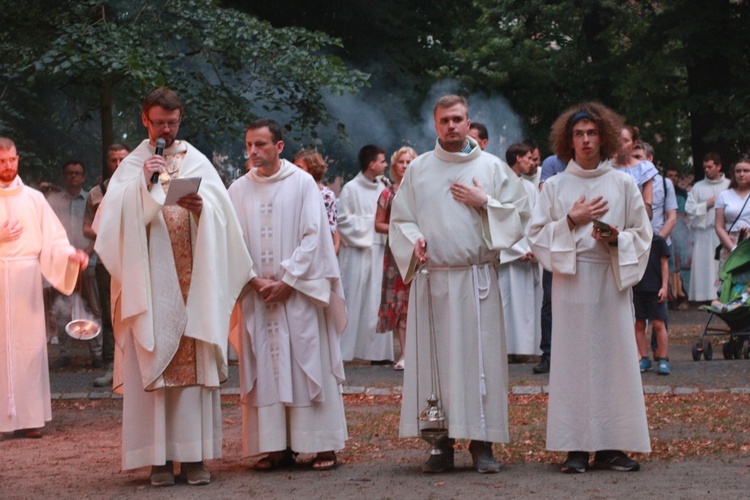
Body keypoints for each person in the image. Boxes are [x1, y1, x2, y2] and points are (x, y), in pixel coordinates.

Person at [94, 88, 253, 486]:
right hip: (150, 284)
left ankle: (194, 456)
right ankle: (158, 459)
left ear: (180, 120)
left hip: (192, 282)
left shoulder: (196, 160)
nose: (166, 129)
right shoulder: (132, 165)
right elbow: (109, 225)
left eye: (173, 122)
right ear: (144, 120)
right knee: (153, 363)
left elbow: (223, 218)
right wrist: (143, 188)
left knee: (192, 366)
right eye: (159, 122)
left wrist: (203, 212)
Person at [390, 95, 529, 474]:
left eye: (457, 119)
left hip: (476, 280)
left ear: (469, 123)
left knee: (478, 362)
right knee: (436, 364)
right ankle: (440, 442)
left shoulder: (493, 168)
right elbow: (401, 219)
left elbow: (521, 215)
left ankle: (482, 443)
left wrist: (485, 202)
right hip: (433, 280)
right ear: (435, 125)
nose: (451, 126)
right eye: (444, 121)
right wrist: (413, 240)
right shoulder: (418, 170)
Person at [527, 102, 652, 474]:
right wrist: (570, 219)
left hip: (610, 281)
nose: (585, 140)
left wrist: (615, 239)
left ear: (605, 137)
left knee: (614, 362)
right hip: (571, 281)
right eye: (578, 134)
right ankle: (575, 447)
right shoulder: (556, 186)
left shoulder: (623, 183)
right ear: (568, 140)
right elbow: (535, 236)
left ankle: (612, 445)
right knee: (574, 363)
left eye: (592, 133)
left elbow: (642, 234)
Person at [228, 119, 348, 472]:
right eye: (249, 144)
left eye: (261, 144)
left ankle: (322, 444)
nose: (253, 151)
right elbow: (232, 242)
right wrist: (252, 280)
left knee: (308, 360)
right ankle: (275, 446)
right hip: (258, 296)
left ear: (279, 147)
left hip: (298, 293)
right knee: (265, 366)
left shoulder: (302, 185)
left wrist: (289, 279)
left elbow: (315, 236)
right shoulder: (237, 189)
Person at [0, 138, 89, 440]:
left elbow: (53, 239)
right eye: (1, 161)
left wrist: (70, 254)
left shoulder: (35, 199)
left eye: (11, 160)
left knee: (29, 347)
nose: (7, 166)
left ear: (18, 159)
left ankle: (30, 417)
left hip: (25, 279)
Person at [337, 145, 393, 363]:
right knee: (354, 301)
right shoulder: (351, 188)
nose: (386, 164)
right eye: (382, 161)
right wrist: (373, 224)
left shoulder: (384, 186)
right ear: (372, 164)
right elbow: (343, 220)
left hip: (379, 251)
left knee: (376, 304)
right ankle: (345, 352)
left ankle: (377, 354)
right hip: (357, 254)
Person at [82, 144, 130, 387]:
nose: (118, 165)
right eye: (114, 160)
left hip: (135, 259)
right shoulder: (97, 192)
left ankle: (135, 366)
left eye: (123, 159)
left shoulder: (142, 185)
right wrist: (108, 230)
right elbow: (86, 227)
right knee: (111, 312)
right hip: (106, 260)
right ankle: (112, 366)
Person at [47, 160, 102, 369]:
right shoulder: (53, 202)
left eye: (77, 173)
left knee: (94, 308)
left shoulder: (91, 199)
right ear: (64, 176)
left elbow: (98, 232)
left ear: (83, 177)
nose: (73, 177)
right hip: (62, 265)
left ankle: (97, 353)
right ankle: (64, 353)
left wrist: (85, 254)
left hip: (89, 262)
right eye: (69, 173)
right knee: (61, 308)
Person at [375, 146, 417, 371]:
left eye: (409, 162)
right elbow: (378, 223)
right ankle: (405, 355)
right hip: (396, 255)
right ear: (394, 166)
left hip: (420, 252)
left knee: (419, 304)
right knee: (401, 305)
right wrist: (400, 229)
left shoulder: (422, 191)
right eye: (401, 162)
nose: (405, 166)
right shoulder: (387, 193)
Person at [498, 143, 542, 358]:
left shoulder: (530, 188)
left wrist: (533, 249)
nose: (532, 163)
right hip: (509, 255)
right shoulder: (500, 184)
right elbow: (498, 222)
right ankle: (506, 349)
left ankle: (525, 349)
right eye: (528, 158)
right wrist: (515, 250)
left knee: (526, 305)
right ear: (517, 158)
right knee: (506, 303)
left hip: (528, 253)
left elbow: (536, 220)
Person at [534, 154, 566, 374]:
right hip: (556, 240)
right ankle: (548, 353)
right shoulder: (552, 163)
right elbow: (545, 194)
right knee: (549, 300)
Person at [686, 152, 730, 302]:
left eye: (710, 167)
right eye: (705, 167)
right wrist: (707, 204)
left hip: (724, 233)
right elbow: (689, 209)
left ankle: (723, 295)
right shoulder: (698, 187)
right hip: (704, 233)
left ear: (719, 167)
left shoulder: (729, 185)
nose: (706, 170)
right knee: (705, 266)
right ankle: (704, 297)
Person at [634, 234, 671, 375]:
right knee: (639, 324)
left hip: (656, 289)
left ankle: (663, 358)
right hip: (637, 288)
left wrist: (664, 286)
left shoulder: (658, 241)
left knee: (658, 324)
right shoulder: (633, 240)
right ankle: (644, 358)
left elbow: (664, 264)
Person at [292, 149, 341, 253]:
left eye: (299, 167)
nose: (294, 171)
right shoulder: (290, 192)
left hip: (318, 251)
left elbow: (330, 230)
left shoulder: (326, 196)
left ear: (312, 170)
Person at [612, 125, 658, 219]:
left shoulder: (644, 168)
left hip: (635, 218)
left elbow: (647, 202)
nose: (621, 144)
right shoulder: (605, 166)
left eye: (625, 140)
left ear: (634, 143)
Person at [715, 158, 750, 270]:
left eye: (746, 171)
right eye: (738, 171)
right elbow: (719, 226)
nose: (741, 174)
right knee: (730, 283)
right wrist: (732, 247)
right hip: (730, 242)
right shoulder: (724, 195)